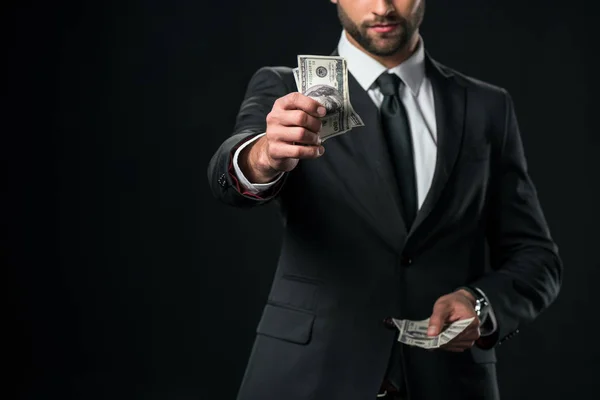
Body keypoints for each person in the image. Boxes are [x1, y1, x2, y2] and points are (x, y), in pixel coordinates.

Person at [206, 0, 563, 398]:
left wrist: (481, 303)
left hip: (449, 382)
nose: (383, 7)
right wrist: (263, 156)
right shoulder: (285, 88)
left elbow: (537, 256)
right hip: (310, 377)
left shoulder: (486, 106)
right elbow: (231, 171)